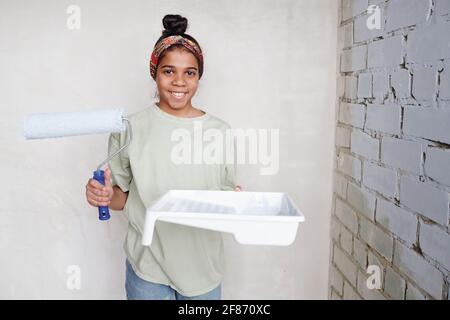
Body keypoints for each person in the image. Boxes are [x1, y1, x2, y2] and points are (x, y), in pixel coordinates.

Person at [85, 14, 241, 300]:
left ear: (198, 76)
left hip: (202, 271)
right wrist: (107, 195)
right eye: (169, 71)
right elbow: (124, 198)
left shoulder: (220, 131)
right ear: (154, 73)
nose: (179, 81)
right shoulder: (129, 128)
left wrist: (236, 202)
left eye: (189, 73)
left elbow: (225, 198)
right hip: (147, 270)